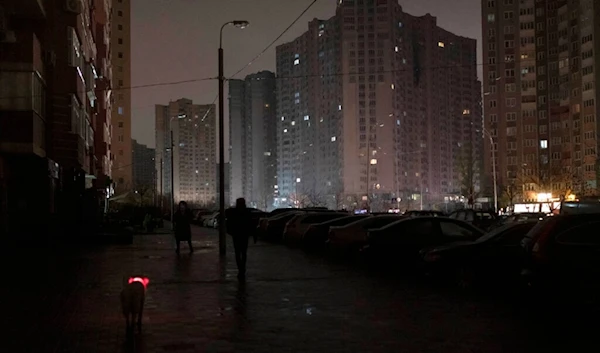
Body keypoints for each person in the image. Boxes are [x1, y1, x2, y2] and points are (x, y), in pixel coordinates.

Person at [225, 198, 256, 279]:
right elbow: (251, 224)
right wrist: (253, 235)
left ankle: (240, 269)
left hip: (236, 235)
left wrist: (230, 232)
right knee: (244, 253)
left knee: (238, 253)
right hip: (244, 235)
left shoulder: (234, 212)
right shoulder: (247, 212)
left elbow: (228, 221)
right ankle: (242, 268)